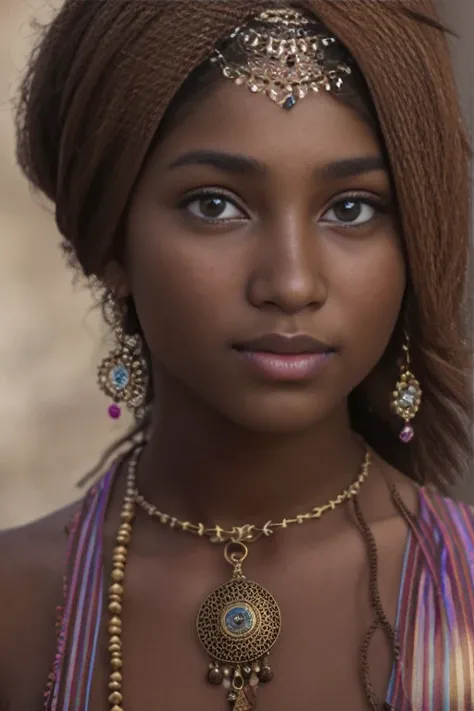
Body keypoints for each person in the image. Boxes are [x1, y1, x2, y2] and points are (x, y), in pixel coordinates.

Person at [0, 1, 472, 710]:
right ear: (111, 241)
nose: (290, 283)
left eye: (351, 208)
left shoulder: (463, 589)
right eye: (215, 205)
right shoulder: (17, 603)